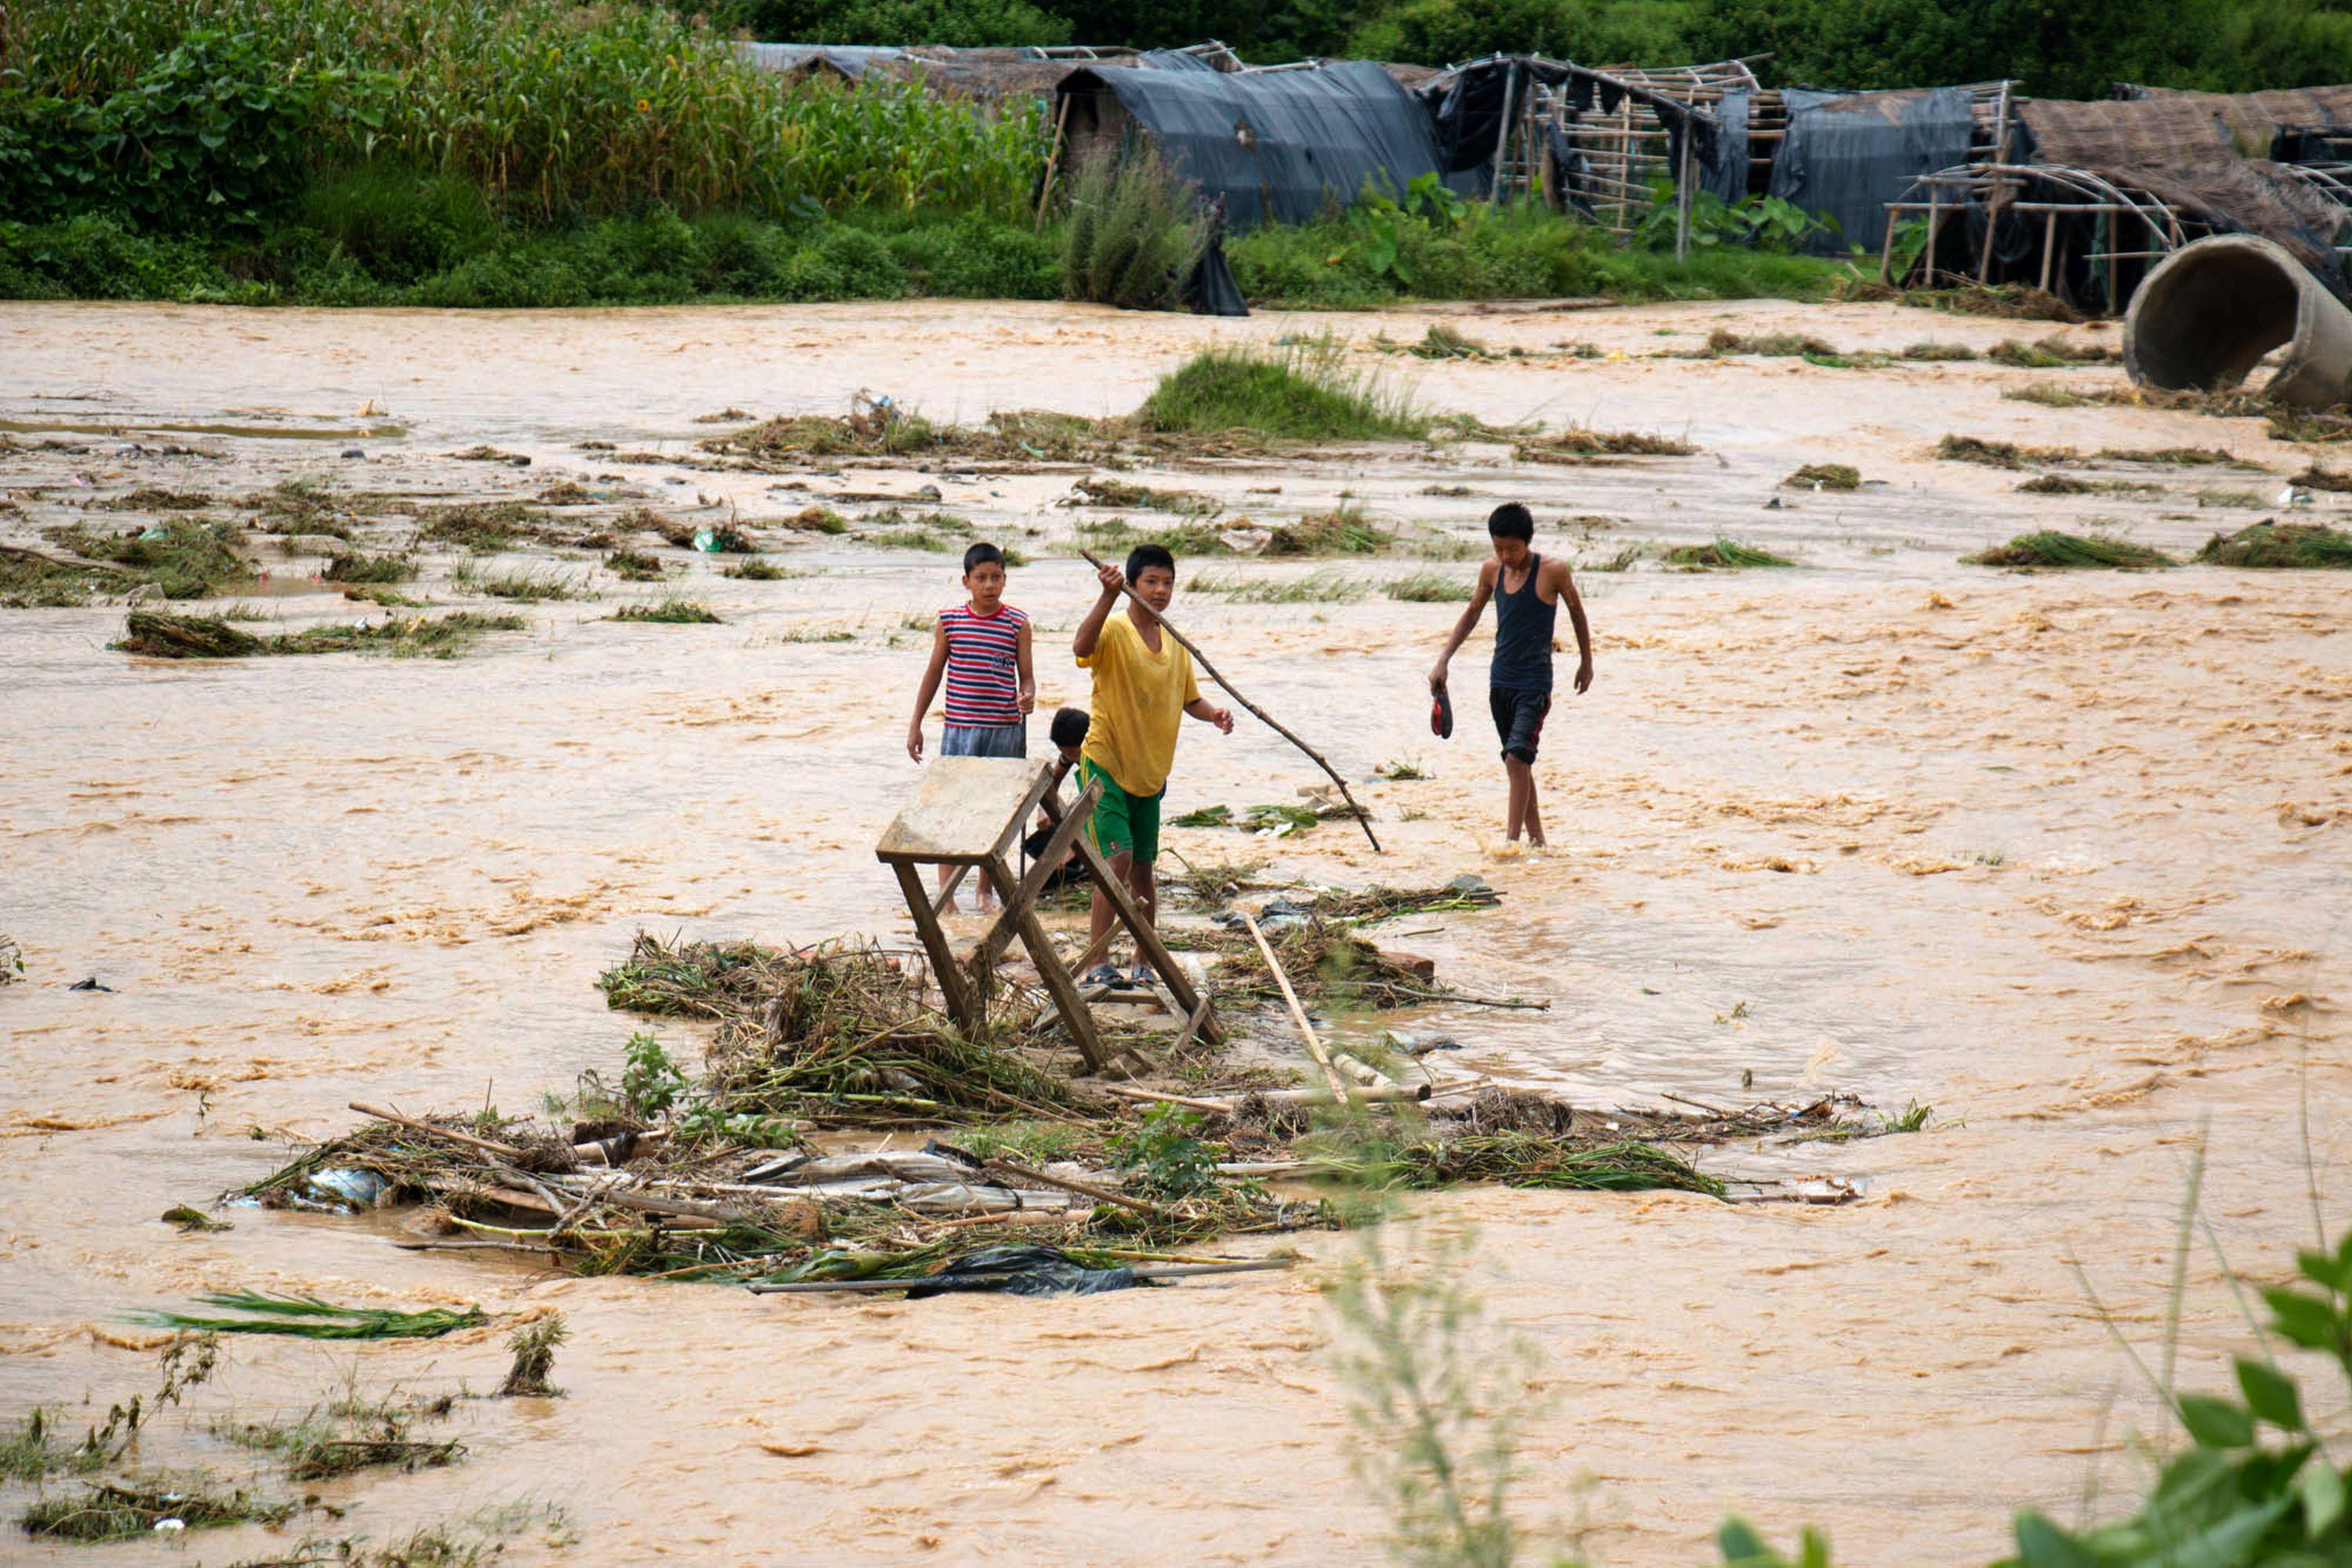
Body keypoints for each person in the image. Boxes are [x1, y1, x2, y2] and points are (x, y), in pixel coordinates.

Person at [1073, 546, 1232, 983]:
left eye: (1167, 583)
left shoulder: (1175, 643)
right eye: (1151, 582)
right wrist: (1105, 597)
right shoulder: (1116, 630)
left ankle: (1144, 962)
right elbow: (1081, 646)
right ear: (1131, 583)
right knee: (1117, 859)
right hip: (1105, 763)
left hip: (1150, 774)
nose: (1160, 592)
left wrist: (1214, 713)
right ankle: (1097, 963)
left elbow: (1189, 699)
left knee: (1144, 866)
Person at [1427, 503, 1592, 848]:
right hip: (1500, 681)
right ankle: (1538, 841)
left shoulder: (1553, 571)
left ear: (1528, 542)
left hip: (1534, 683)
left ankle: (1510, 845)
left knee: (1518, 757)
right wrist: (1443, 661)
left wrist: (1586, 662)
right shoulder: (1492, 571)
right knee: (1517, 764)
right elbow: (1472, 613)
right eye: (1498, 548)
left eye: (1512, 549)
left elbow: (1577, 613)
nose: (1505, 556)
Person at [906, 542, 1034, 911]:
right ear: (967, 581)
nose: (989, 584)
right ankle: (946, 896)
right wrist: (915, 725)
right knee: (951, 810)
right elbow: (933, 674)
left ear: (1005, 579)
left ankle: (985, 890)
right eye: (981, 578)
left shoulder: (1018, 623)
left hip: (1005, 730)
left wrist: (1027, 696)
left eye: (996, 577)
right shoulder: (950, 621)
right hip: (961, 731)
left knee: (996, 812)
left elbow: (1027, 678)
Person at [1021, 707, 1093, 892]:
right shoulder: (1070, 754)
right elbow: (1053, 781)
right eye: (1064, 752)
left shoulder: (1097, 753)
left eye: (1072, 752)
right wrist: (1044, 811)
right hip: (1091, 803)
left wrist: (1070, 849)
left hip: (1120, 797)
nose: (1069, 757)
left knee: (1078, 813)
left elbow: (1092, 800)